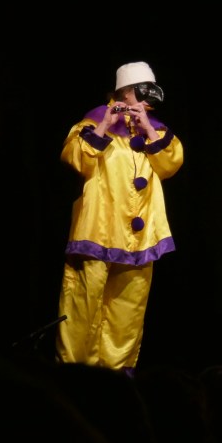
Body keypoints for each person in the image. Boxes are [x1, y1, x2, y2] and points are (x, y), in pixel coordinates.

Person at [56, 61, 183, 376]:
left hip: (140, 235)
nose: (146, 99)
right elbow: (76, 159)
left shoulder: (156, 131)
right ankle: (75, 375)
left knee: (129, 308)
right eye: (140, 91)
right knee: (83, 303)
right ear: (124, 92)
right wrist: (104, 125)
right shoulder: (92, 123)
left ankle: (116, 377)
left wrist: (148, 128)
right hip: (98, 228)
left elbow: (170, 165)